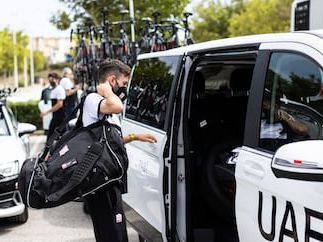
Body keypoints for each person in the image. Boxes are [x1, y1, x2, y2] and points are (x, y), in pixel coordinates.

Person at [82, 59, 156, 242]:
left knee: (115, 232)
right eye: (123, 83)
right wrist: (106, 90)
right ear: (112, 80)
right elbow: (118, 106)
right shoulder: (94, 100)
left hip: (108, 179)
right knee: (112, 234)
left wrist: (135, 137)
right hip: (100, 180)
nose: (124, 88)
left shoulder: (103, 103)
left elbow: (109, 139)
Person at [40, 72, 66, 140]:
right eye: (50, 80)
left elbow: (59, 104)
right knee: (56, 136)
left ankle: (47, 149)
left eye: (52, 80)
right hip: (56, 116)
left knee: (52, 135)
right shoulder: (54, 90)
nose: (51, 82)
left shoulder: (59, 89)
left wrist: (46, 112)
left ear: (57, 79)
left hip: (60, 116)